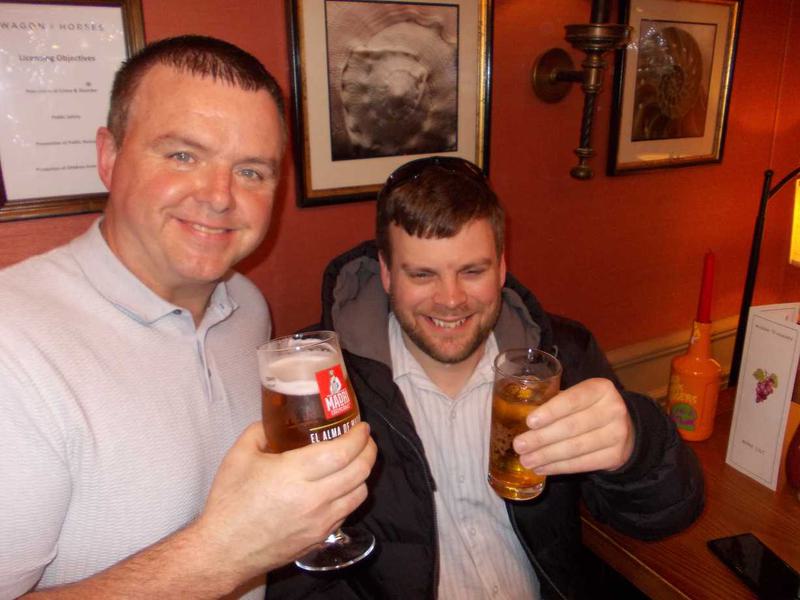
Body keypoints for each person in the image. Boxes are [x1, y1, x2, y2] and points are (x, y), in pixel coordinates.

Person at [0, 36, 376, 599]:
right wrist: (224, 552)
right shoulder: (12, 344)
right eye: (183, 156)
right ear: (109, 157)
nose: (219, 196)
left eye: (251, 171)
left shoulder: (245, 305)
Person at [266, 156, 704, 599]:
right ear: (386, 273)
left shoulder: (561, 356)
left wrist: (635, 447)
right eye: (422, 274)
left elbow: (667, 514)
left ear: (501, 267)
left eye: (472, 271)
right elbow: (297, 577)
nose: (450, 300)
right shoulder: (321, 382)